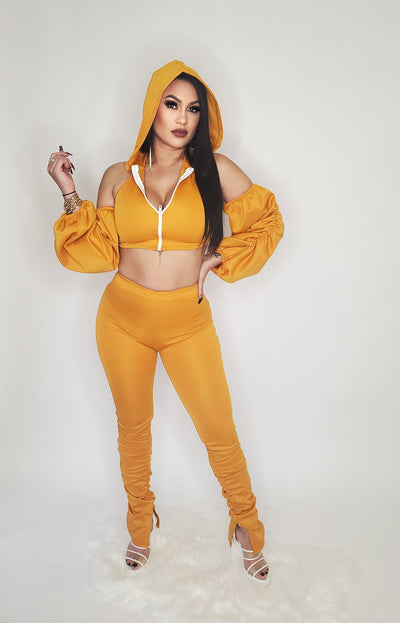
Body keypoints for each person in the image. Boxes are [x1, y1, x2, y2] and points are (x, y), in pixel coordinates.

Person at [48, 60, 284, 584]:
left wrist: (220, 257)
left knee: (218, 429)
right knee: (133, 428)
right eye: (171, 104)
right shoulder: (118, 175)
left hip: (186, 322)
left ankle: (247, 525)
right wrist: (68, 189)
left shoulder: (214, 169)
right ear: (152, 108)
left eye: (193, 109)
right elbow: (98, 252)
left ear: (202, 118)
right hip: (121, 320)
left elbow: (268, 219)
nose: (181, 118)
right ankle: (140, 523)